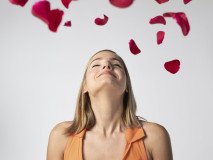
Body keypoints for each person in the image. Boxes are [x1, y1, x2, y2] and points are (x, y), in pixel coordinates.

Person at [46, 49, 173, 160]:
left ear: (127, 86)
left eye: (116, 64)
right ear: (84, 86)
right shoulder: (60, 136)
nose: (106, 65)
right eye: (96, 64)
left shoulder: (155, 136)